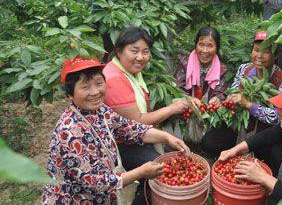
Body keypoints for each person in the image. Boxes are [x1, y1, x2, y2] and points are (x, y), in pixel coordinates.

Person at [41, 55, 190, 204]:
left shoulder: (101, 110)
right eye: (85, 87)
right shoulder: (70, 131)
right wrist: (141, 172)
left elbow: (131, 128)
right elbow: (97, 183)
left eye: (99, 83)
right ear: (70, 94)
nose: (95, 92)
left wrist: (167, 137)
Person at [102, 26, 190, 203]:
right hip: (121, 145)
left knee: (166, 160)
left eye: (145, 52)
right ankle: (142, 197)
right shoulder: (114, 78)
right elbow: (137, 121)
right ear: (118, 51)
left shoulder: (129, 72)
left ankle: (145, 194)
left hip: (132, 135)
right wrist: (172, 109)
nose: (140, 57)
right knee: (159, 168)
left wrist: (165, 136)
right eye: (134, 51)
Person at [201, 30, 282, 169]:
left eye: (266, 52)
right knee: (209, 141)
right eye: (256, 50)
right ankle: (234, 157)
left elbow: (278, 118)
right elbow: (234, 92)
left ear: (275, 55)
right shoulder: (244, 69)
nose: (259, 55)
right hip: (239, 129)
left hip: (263, 134)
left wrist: (249, 105)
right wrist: (222, 100)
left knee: (274, 157)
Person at [175, 26, 228, 105]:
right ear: (196, 45)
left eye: (210, 46)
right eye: (201, 45)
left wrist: (217, 99)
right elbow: (177, 90)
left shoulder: (222, 70)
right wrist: (188, 99)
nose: (204, 50)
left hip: (209, 113)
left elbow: (221, 93)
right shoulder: (184, 63)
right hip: (183, 111)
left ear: (217, 48)